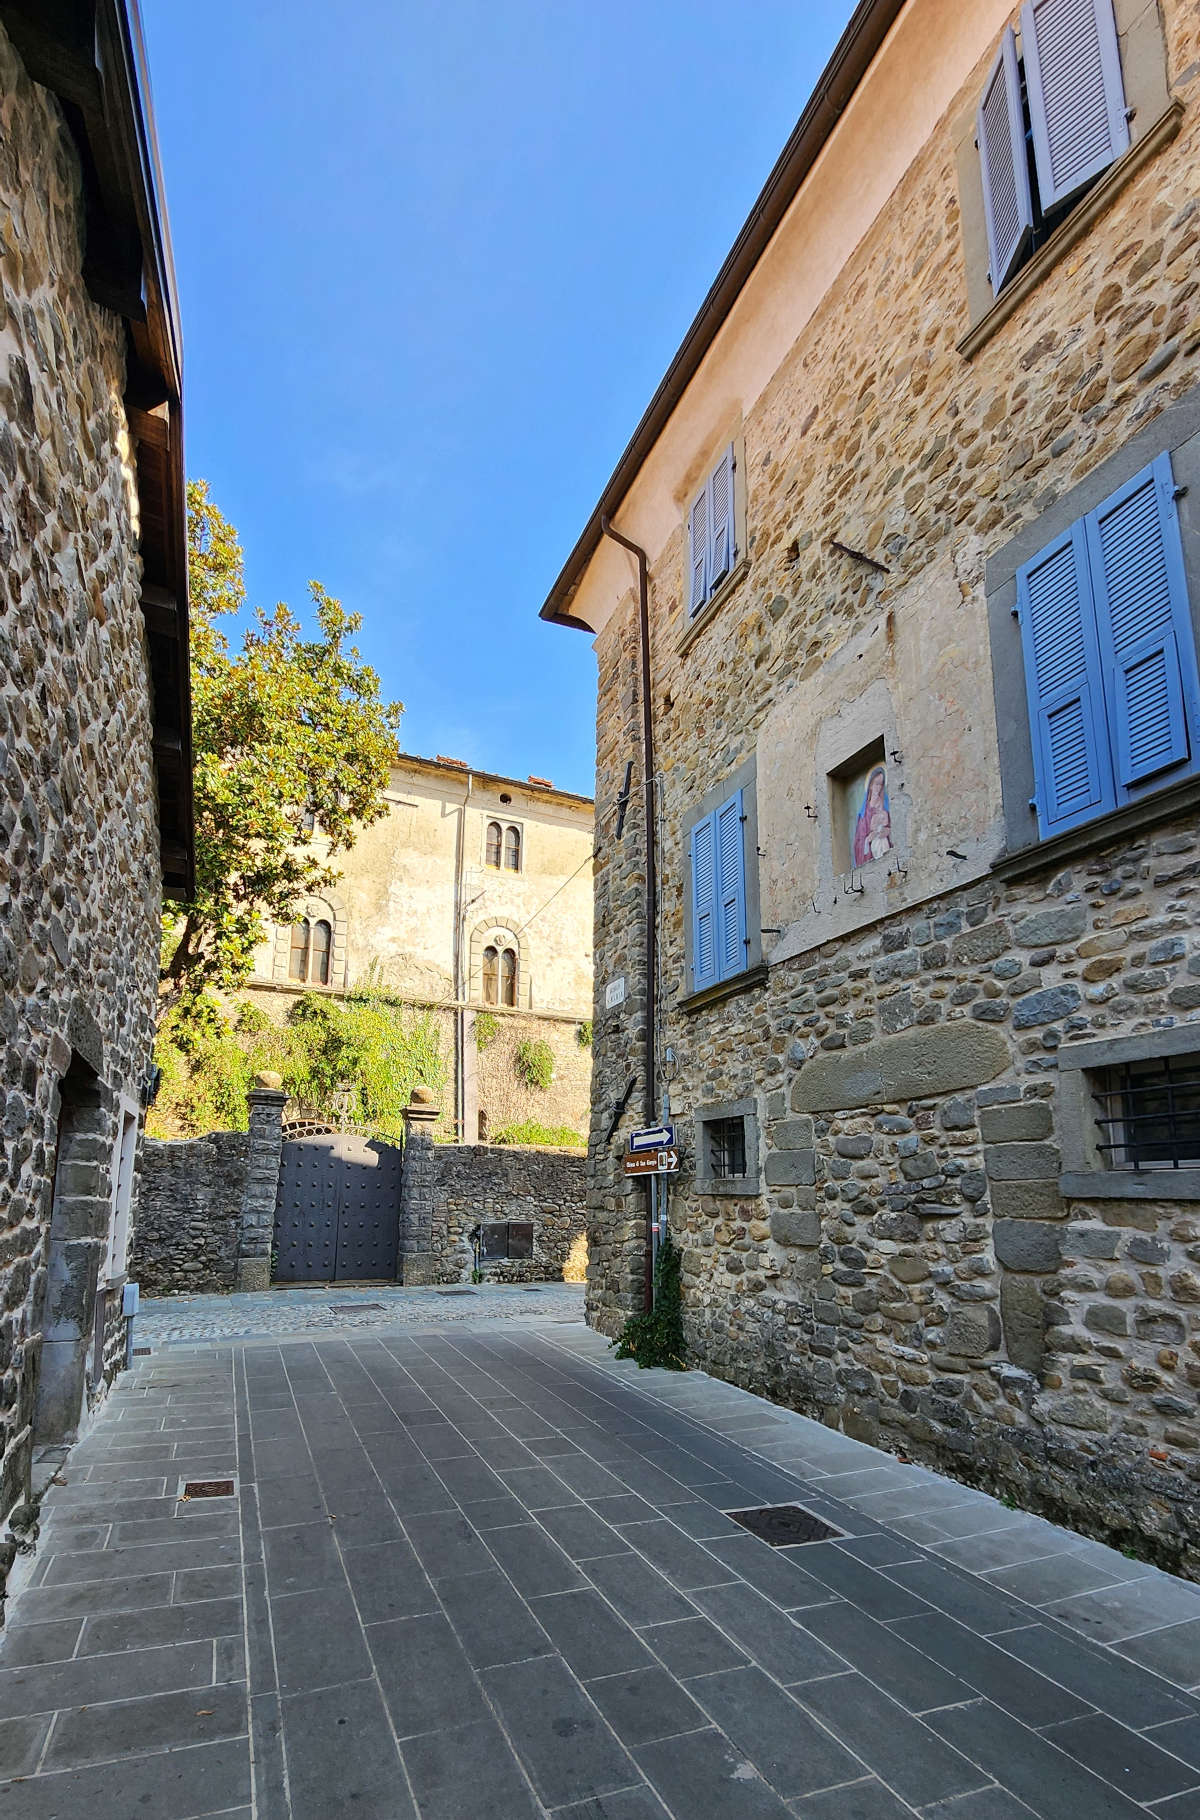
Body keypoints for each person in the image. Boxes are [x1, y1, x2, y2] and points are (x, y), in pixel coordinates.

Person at [853, 765, 892, 866]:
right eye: (876, 784)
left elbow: (893, 825)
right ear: (870, 785)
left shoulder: (885, 806)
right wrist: (867, 839)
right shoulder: (863, 814)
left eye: (881, 784)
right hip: (870, 856)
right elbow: (858, 842)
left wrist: (888, 831)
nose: (878, 788)